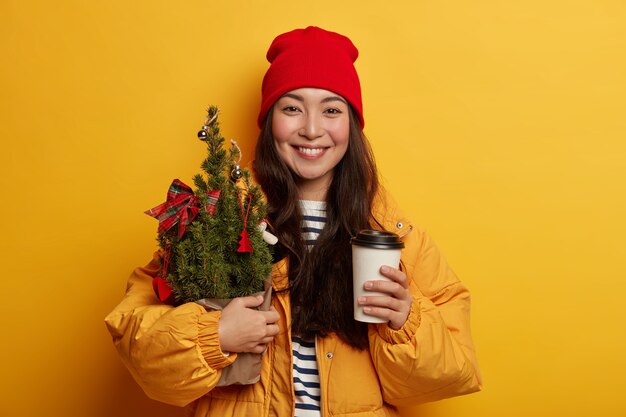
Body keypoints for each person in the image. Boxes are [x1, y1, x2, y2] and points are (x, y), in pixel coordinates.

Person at [105, 26, 482, 417]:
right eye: (292, 108)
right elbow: (137, 342)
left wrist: (405, 321)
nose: (312, 129)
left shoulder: (395, 237)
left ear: (351, 124)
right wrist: (213, 336)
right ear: (269, 121)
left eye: (332, 109)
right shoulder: (215, 224)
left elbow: (452, 373)